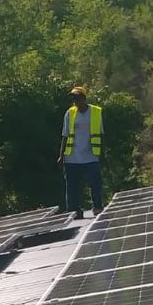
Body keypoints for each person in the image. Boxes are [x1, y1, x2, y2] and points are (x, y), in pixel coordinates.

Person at [56, 85, 104, 218]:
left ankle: (98, 207)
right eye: (73, 98)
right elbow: (65, 135)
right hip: (72, 157)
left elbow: (101, 134)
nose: (75, 101)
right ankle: (74, 211)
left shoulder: (95, 112)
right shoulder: (70, 113)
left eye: (77, 98)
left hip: (91, 155)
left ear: (83, 98)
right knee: (72, 186)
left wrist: (102, 155)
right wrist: (61, 155)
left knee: (95, 183)